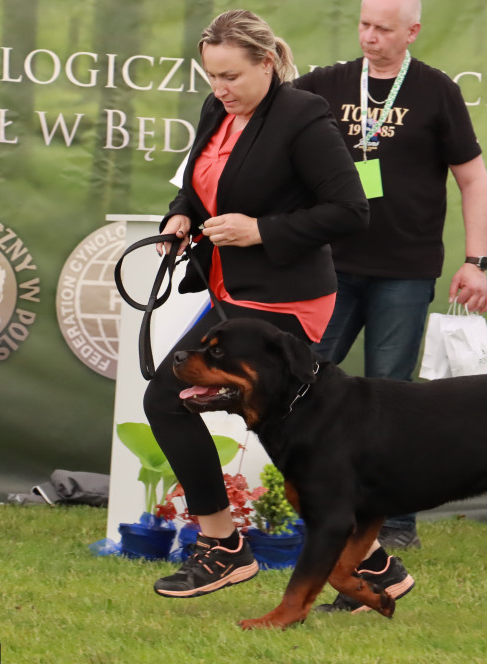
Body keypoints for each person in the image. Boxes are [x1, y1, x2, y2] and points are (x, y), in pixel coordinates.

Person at [145, 9, 369, 599]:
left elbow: (350, 211)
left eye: (231, 76)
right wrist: (179, 214)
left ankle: (223, 547)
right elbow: (195, 181)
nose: (219, 89)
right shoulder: (217, 109)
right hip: (231, 292)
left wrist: (260, 230)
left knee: (171, 400)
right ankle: (374, 567)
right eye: (210, 77)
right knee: (294, 434)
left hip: (288, 301)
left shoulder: (304, 118)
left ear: (267, 63)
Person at [294, 0, 487, 610]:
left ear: (413, 31)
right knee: (304, 383)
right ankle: (306, 502)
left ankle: (395, 518)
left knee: (390, 393)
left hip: (405, 270)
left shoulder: (437, 92)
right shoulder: (325, 84)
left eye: (384, 28)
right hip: (327, 262)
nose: (371, 37)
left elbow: (473, 179)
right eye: (364, 26)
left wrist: (476, 260)